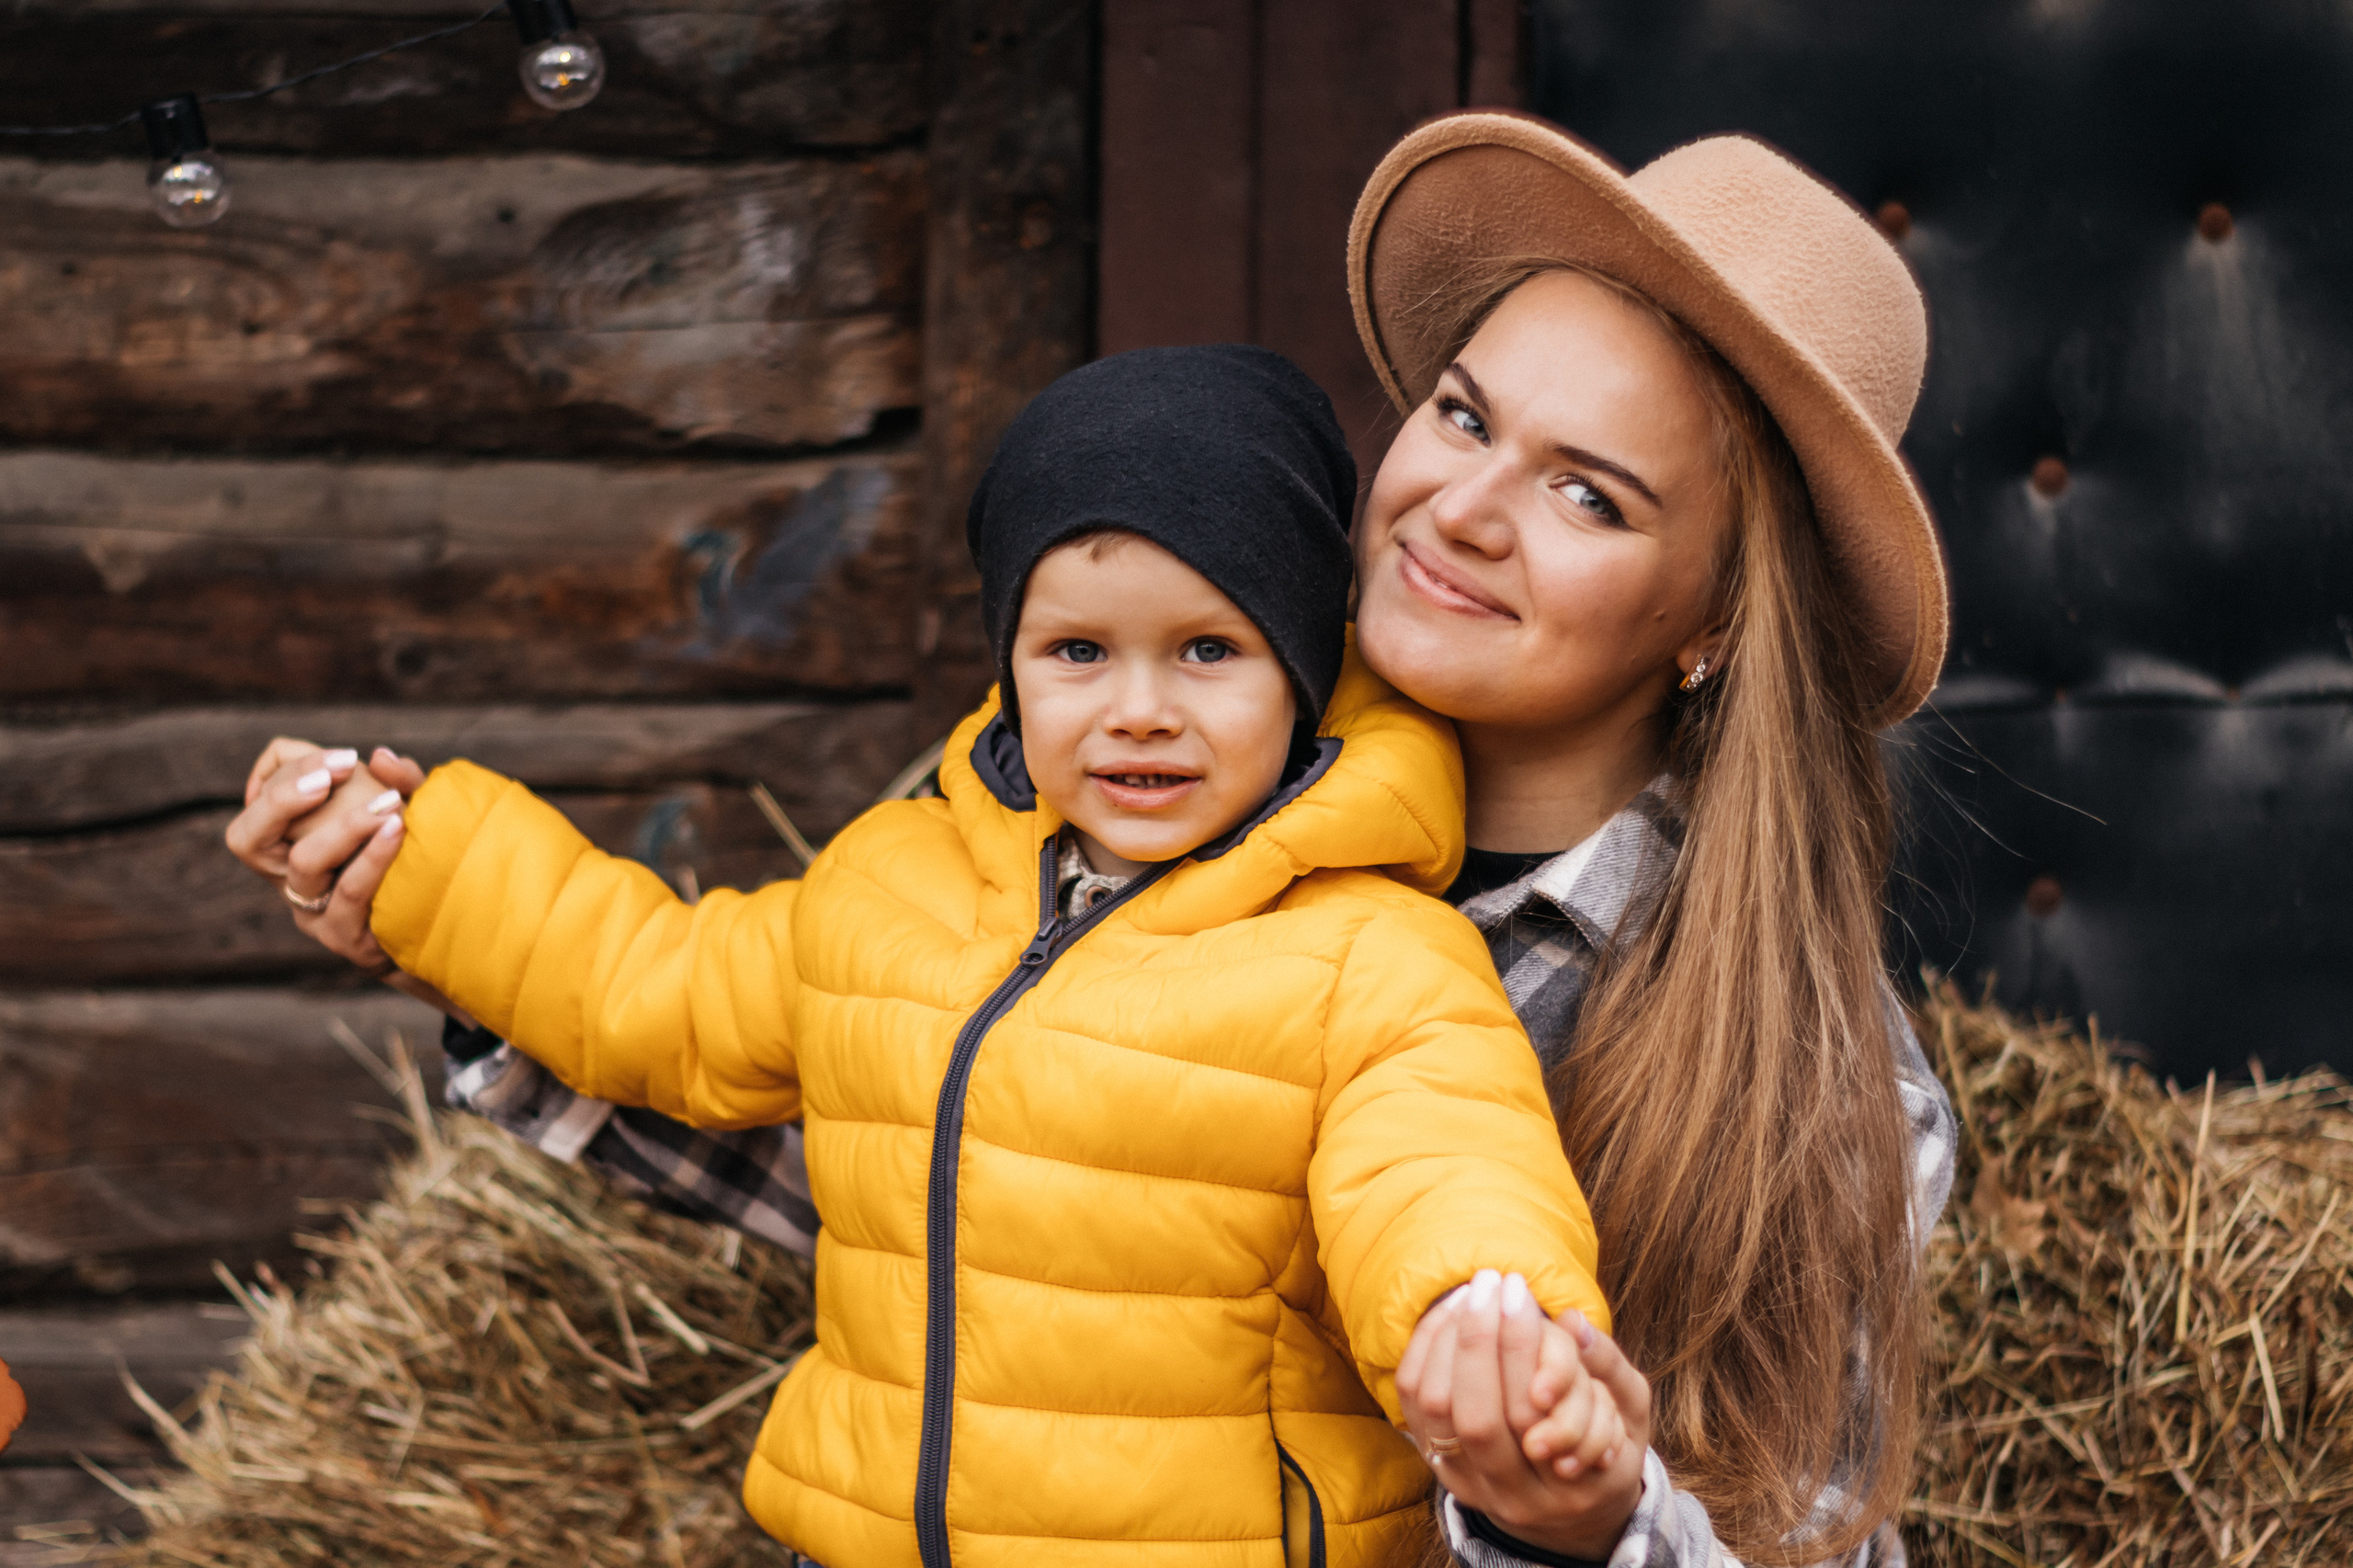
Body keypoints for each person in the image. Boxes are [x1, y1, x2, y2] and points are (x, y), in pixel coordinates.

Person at [232, 116, 1961, 1567]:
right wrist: (446, 915)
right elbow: (928, 1155)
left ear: (1717, 620)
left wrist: (1575, 1528)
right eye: (1461, 413)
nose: (1465, 507)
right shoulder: (1131, 752)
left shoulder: (1800, 1082)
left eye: (1591, 494)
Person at [233, 344, 1622, 1568]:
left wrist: (1498, 1336)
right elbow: (652, 987)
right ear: (1008, 664)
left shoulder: (1370, 954)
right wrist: (417, 855)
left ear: (1305, 675)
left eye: (1209, 650)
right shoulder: (895, 885)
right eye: (1078, 649)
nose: (1138, 711)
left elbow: (1441, 1169)